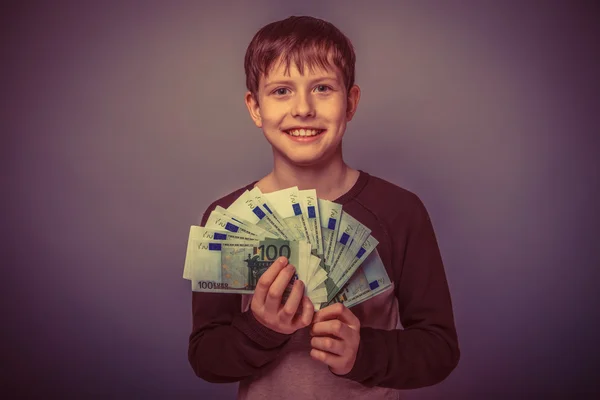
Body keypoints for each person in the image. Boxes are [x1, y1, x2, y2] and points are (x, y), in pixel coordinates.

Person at [188, 15, 460, 399]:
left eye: (322, 88)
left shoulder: (400, 211)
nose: (303, 108)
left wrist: (363, 352)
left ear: (350, 102)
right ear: (255, 108)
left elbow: (440, 349)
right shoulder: (228, 219)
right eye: (282, 90)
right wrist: (261, 329)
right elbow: (205, 358)